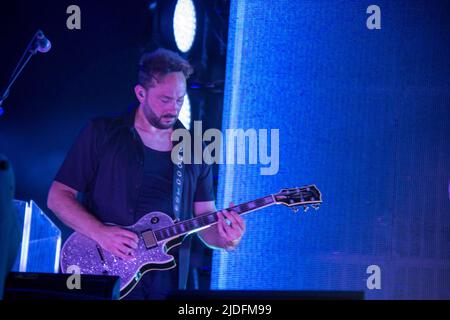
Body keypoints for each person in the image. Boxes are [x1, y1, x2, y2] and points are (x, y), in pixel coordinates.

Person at [47, 48, 245, 300]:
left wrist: (228, 239)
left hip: (166, 286)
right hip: (103, 275)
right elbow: (58, 196)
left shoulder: (196, 147)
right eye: (165, 99)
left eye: (179, 100)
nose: (173, 108)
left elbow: (204, 218)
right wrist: (101, 233)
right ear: (141, 93)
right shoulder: (102, 133)